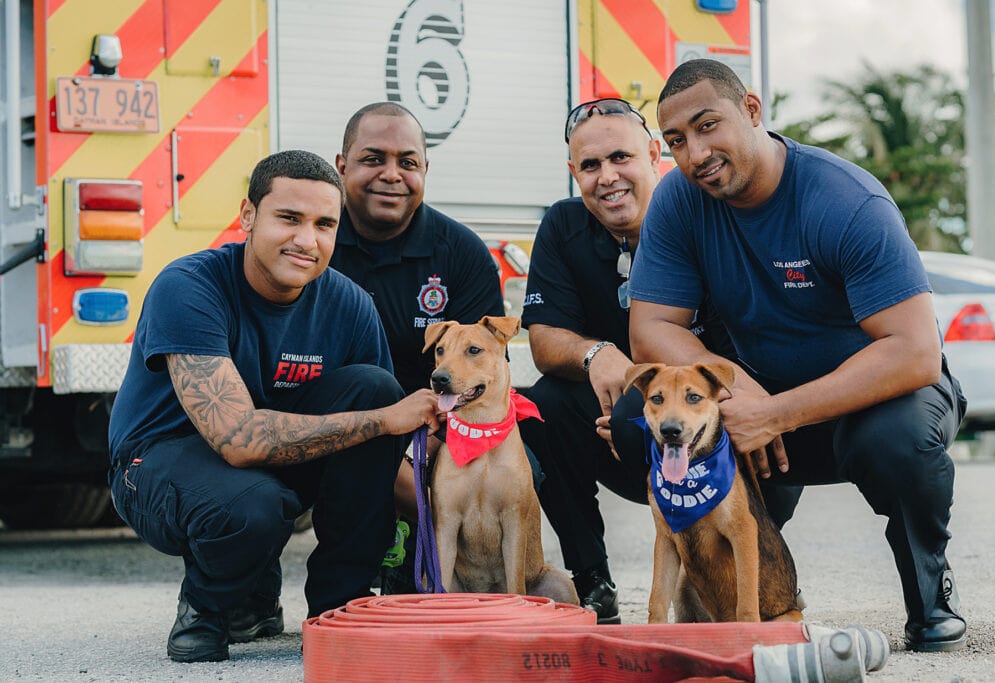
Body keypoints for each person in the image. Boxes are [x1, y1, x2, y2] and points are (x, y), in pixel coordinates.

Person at [622, 58, 967, 651]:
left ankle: (930, 596)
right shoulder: (678, 200)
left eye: (708, 126)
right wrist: (744, 397)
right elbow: (651, 325)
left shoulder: (845, 200)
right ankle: (734, 599)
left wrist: (780, 413)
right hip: (763, 398)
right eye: (676, 141)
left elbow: (915, 352)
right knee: (645, 430)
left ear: (752, 110)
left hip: (872, 399)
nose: (694, 153)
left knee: (897, 442)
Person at [107, 150, 440, 663]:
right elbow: (237, 441)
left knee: (373, 386)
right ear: (247, 217)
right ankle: (208, 609)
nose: (307, 240)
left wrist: (450, 517)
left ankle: (339, 608)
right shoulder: (189, 287)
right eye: (289, 218)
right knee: (252, 505)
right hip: (158, 463)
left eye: (324, 224)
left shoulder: (350, 304)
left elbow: (378, 453)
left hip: (268, 465)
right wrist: (382, 420)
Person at [328, 102, 504, 591]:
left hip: (438, 421)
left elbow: (481, 378)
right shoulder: (315, 243)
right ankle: (252, 588)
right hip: (338, 420)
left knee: (524, 467)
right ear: (342, 167)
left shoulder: (462, 254)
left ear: (425, 170)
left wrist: (424, 447)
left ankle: (446, 569)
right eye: (373, 159)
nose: (392, 175)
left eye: (408, 162)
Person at [518, 97, 665, 623]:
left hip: (697, 421)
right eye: (591, 165)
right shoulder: (562, 226)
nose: (608, 177)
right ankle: (593, 583)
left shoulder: (698, 216)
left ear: (654, 154)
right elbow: (543, 340)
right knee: (543, 405)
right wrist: (596, 353)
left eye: (621, 158)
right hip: (611, 430)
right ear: (573, 173)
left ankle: (759, 565)